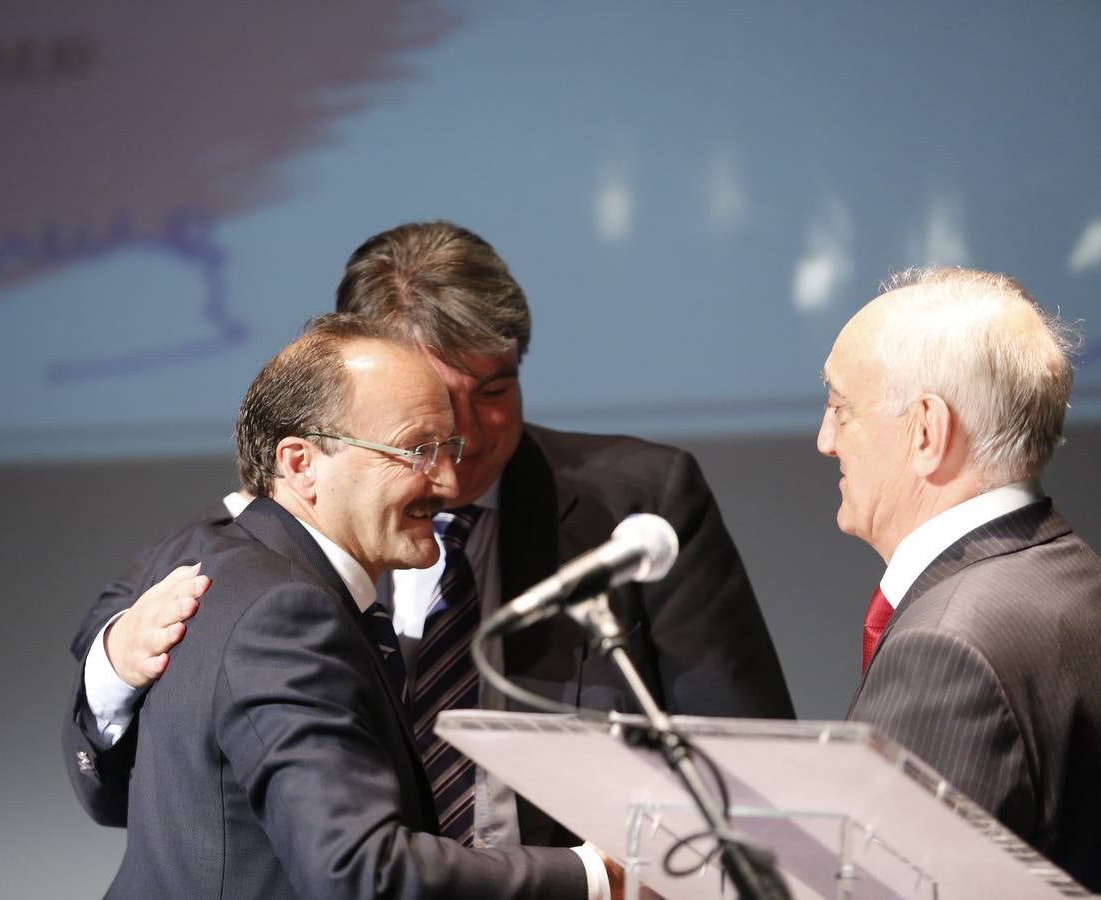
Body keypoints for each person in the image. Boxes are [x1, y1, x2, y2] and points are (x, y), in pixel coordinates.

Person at [64, 221, 795, 845]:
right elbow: (115, 784)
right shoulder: (255, 541)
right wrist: (113, 668)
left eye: (495, 391)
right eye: (433, 406)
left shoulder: (638, 505)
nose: (468, 437)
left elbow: (745, 765)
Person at [107, 313, 601, 897]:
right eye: (417, 451)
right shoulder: (285, 614)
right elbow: (360, 870)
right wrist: (594, 876)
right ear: (300, 464)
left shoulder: (233, 563)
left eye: (449, 448)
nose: (447, 482)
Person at [817, 266, 1101, 891]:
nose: (825, 439)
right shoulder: (1074, 577)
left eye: (841, 407)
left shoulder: (944, 650)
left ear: (926, 430)